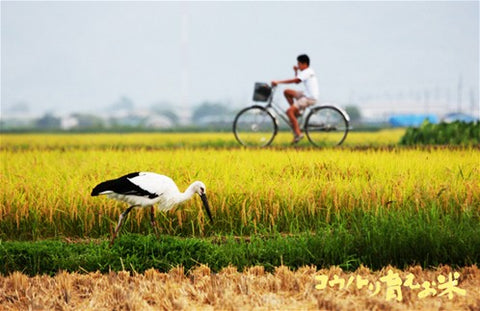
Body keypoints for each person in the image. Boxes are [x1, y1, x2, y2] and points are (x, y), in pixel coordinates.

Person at [271, 54, 319, 144]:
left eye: (299, 64)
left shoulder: (307, 72)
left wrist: (278, 82)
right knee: (287, 92)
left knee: (289, 112)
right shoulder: (307, 71)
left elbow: (295, 81)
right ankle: (296, 112)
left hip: (309, 98)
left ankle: (298, 134)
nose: (298, 65)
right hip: (306, 95)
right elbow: (297, 81)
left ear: (304, 64)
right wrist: (296, 72)